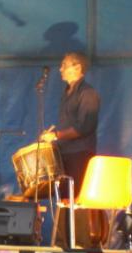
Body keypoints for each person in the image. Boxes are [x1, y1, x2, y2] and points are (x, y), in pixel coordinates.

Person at [41, 52, 100, 197]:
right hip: (64, 153)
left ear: (78, 68)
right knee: (64, 197)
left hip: (79, 154)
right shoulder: (67, 93)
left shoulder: (88, 93)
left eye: (64, 65)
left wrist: (56, 135)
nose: (60, 69)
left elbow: (85, 127)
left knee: (76, 196)